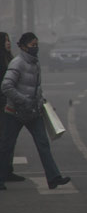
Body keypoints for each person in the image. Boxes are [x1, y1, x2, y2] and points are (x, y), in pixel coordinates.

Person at [0, 32, 70, 190]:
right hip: (14, 113)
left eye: (36, 45)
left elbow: (36, 88)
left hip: (33, 112)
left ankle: (54, 178)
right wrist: (23, 100)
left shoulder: (36, 63)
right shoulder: (17, 63)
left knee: (43, 144)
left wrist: (41, 102)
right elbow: (6, 86)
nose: (35, 48)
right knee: (6, 147)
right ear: (24, 46)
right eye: (32, 45)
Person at [0, 32, 25, 182]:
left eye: (9, 39)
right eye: (5, 40)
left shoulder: (10, 59)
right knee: (5, 139)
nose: (8, 43)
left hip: (11, 104)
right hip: (3, 104)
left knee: (9, 139)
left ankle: (7, 170)